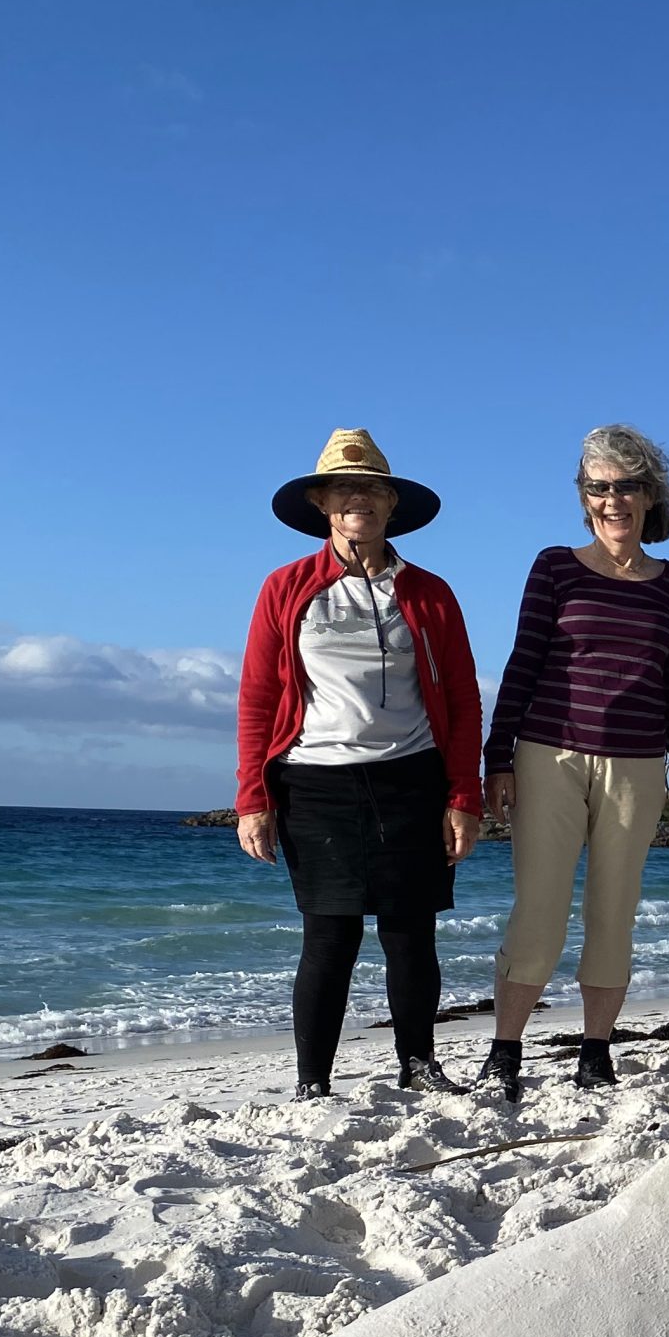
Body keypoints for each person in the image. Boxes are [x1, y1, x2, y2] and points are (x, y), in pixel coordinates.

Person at [235, 429, 482, 1100]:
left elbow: (461, 698)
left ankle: (419, 1065)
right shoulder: (286, 589)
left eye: (371, 487)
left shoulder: (430, 593)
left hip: (412, 777)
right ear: (321, 503)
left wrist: (465, 794)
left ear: (390, 503)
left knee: (411, 933)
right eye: (344, 488)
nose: (358, 499)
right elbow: (257, 695)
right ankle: (312, 1082)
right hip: (313, 782)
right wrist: (252, 797)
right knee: (330, 935)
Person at [475, 426, 669, 1101]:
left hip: (636, 766)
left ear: (649, 496)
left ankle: (596, 1051)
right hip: (549, 755)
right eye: (599, 487)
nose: (613, 501)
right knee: (538, 911)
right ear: (584, 497)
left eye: (626, 486)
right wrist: (499, 757)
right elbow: (523, 663)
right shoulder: (555, 567)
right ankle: (505, 1050)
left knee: (614, 912)